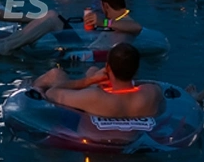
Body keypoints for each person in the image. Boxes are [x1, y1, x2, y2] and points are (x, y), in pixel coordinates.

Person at [0, 0, 141, 55]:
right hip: (83, 45)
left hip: (85, 52)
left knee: (51, 19)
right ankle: (6, 42)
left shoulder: (126, 20)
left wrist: (103, 22)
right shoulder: (120, 19)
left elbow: (137, 28)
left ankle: (6, 46)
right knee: (52, 14)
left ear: (104, 4)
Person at [32, 44, 163, 118]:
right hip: (131, 132)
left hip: (95, 135)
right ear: (136, 69)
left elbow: (52, 93)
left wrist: (90, 81)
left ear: (108, 67)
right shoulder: (152, 92)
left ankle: (30, 89)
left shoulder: (94, 96)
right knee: (93, 69)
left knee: (56, 74)